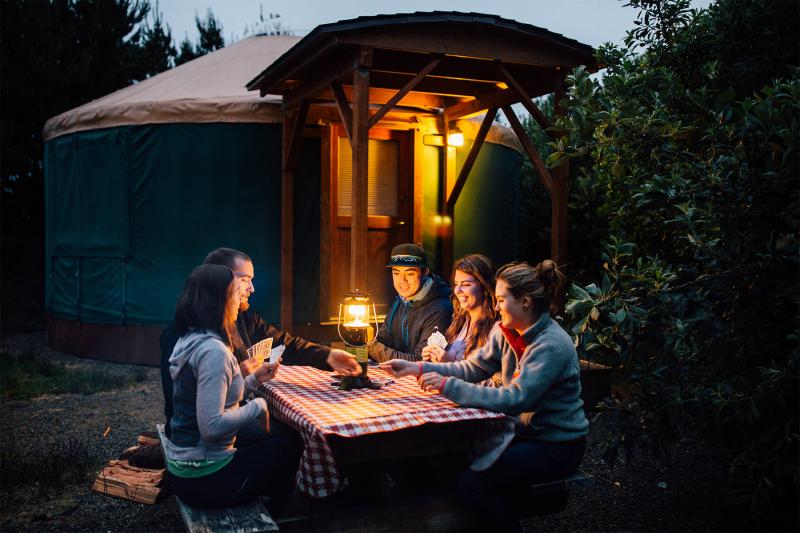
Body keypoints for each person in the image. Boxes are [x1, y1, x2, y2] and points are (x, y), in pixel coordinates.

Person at [380, 260, 589, 531]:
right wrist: (418, 368)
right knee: (444, 461)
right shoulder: (508, 331)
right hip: (522, 433)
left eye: (502, 299)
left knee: (473, 482)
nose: (497, 305)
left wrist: (446, 385)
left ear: (525, 302)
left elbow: (514, 399)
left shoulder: (549, 344)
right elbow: (475, 367)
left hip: (555, 444)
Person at [160, 247, 359, 432]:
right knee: (293, 431)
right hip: (202, 440)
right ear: (221, 280)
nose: (252, 289)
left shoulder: (245, 317)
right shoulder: (183, 334)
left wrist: (328, 356)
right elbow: (182, 404)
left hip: (233, 414)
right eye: (245, 279)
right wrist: (239, 377)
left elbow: (283, 343)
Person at [163, 263, 302, 514]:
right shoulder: (213, 352)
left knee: (285, 432)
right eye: (235, 295)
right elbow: (212, 426)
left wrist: (254, 381)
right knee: (293, 444)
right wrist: (258, 406)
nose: (240, 301)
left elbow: (217, 398)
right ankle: (276, 516)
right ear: (219, 301)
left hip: (187, 465)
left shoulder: (191, 338)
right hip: (205, 478)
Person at [367, 243, 453, 362]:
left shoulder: (440, 308)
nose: (402, 280)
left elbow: (419, 361)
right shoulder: (400, 301)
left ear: (425, 272)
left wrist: (370, 346)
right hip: (398, 376)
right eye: (396, 273)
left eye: (410, 273)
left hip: (425, 378)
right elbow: (382, 341)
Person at [421, 254, 499, 364]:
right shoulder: (459, 320)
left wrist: (450, 365)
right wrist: (433, 357)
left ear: (484, 287)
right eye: (456, 284)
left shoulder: (497, 329)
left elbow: (498, 381)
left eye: (466, 284)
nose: (457, 290)